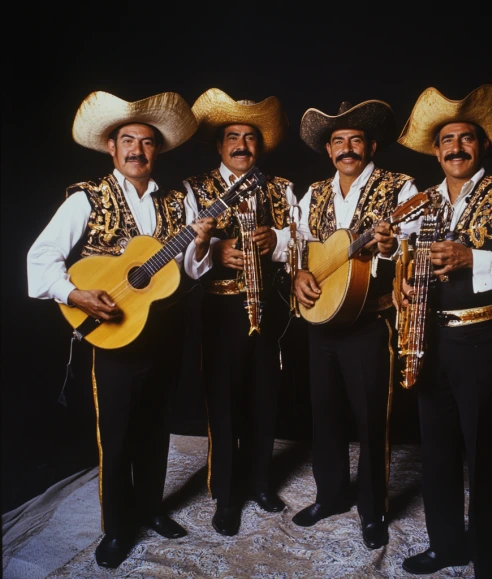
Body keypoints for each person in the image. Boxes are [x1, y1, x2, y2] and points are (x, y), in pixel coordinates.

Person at [27, 91, 216, 569]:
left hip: (165, 330)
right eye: (127, 140)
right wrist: (74, 294)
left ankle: (151, 509)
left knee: (156, 427)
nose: (137, 150)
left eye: (147, 142)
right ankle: (116, 527)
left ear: (157, 151)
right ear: (111, 148)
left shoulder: (179, 200)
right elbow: (40, 257)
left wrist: (201, 244)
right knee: (117, 434)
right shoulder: (86, 197)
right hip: (113, 333)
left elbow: (190, 270)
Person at [395, 84, 492, 578]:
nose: (456, 147)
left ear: (482, 146)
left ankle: (486, 558)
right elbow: (400, 255)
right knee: (436, 451)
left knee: (482, 453)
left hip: (480, 340)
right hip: (427, 339)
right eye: (447, 140)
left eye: (466, 138)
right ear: (436, 150)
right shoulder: (420, 202)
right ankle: (445, 547)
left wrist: (472, 258)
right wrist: (401, 284)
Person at [291, 99, 419, 550]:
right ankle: (330, 496)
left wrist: (388, 245)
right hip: (322, 320)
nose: (347, 149)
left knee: (371, 419)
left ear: (371, 146)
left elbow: (413, 243)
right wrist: (299, 274)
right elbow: (299, 243)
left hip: (370, 320)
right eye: (338, 141)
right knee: (324, 413)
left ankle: (372, 508)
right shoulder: (313, 193)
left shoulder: (401, 188)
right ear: (329, 150)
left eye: (356, 140)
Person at [182, 88, 303, 537]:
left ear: (259, 146)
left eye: (250, 138)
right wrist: (214, 250)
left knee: (265, 395)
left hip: (270, 306)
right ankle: (226, 494)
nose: (241, 145)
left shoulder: (282, 188)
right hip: (221, 307)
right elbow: (185, 259)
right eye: (232, 137)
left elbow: (303, 240)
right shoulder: (195, 189)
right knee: (223, 399)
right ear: (219, 145)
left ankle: (260, 482)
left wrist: (278, 241)